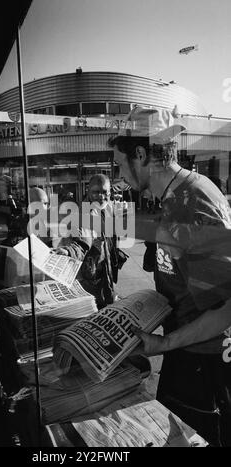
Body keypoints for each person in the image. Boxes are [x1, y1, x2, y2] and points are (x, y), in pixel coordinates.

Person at [108, 105, 231, 446]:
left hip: (205, 364)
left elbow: (226, 309)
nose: (120, 176)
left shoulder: (189, 205)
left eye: (120, 165)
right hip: (188, 354)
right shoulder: (178, 196)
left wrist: (163, 344)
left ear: (142, 154)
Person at [56, 174, 127, 309]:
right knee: (96, 309)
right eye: (96, 192)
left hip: (107, 270)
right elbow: (81, 243)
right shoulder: (82, 214)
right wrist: (68, 251)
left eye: (104, 192)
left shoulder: (108, 208)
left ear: (110, 192)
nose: (101, 196)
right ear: (88, 191)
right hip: (93, 277)